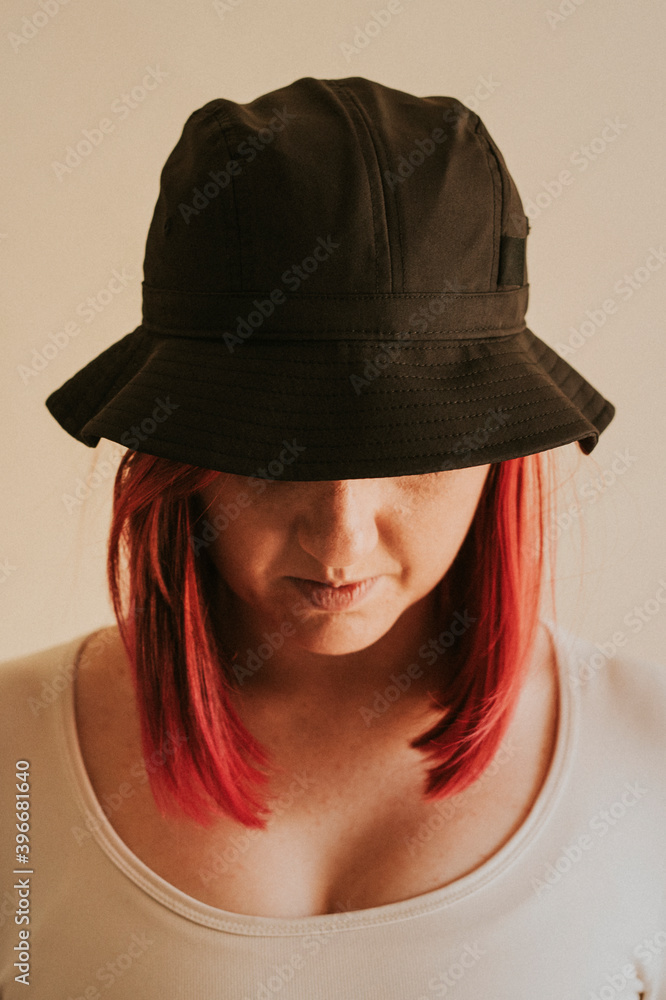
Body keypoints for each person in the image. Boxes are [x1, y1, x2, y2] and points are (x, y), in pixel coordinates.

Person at [1, 75, 664, 999]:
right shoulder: (13, 761)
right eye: (277, 453)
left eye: (413, 452)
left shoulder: (651, 757)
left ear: (501, 456)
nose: (342, 536)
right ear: (176, 458)